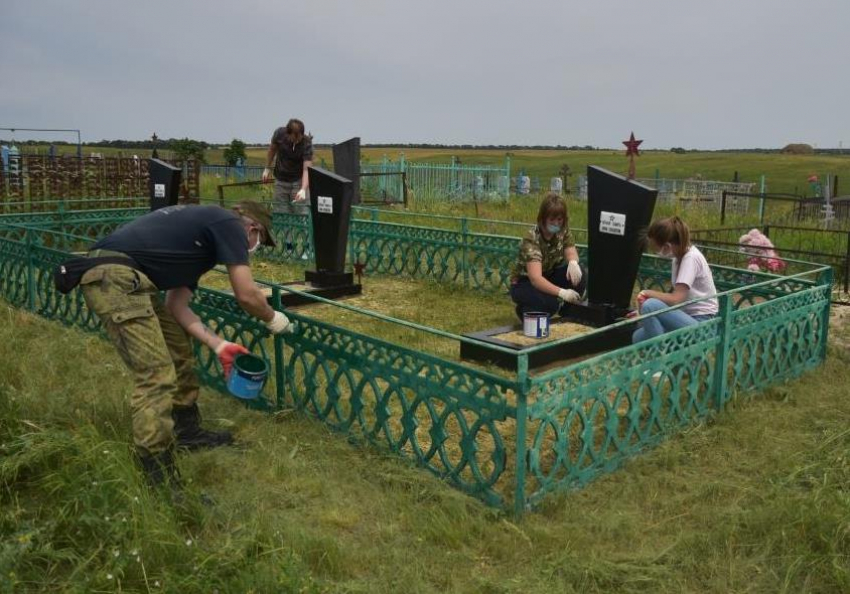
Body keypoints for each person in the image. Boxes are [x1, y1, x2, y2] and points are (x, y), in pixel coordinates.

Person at [78, 201, 293, 490]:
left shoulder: (197, 249)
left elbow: (176, 306)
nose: (254, 247)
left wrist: (219, 346)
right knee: (155, 374)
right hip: (115, 277)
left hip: (128, 276)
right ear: (253, 228)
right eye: (260, 241)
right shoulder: (230, 224)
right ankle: (156, 476)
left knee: (176, 346)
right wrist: (273, 318)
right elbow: (246, 294)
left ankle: (186, 430)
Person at [632, 216, 718, 343]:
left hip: (703, 323)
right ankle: (665, 349)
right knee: (637, 337)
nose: (656, 253)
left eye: (655, 249)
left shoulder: (690, 259)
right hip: (685, 318)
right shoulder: (678, 258)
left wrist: (647, 293)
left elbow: (676, 299)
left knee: (650, 305)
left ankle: (661, 355)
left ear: (667, 246)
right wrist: (642, 315)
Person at [509, 193, 586, 320]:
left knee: (580, 274)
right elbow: (536, 278)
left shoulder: (563, 230)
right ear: (543, 218)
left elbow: (570, 249)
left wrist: (573, 262)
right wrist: (562, 293)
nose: (556, 223)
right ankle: (524, 311)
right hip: (524, 282)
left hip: (549, 274)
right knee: (550, 303)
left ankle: (568, 311)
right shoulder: (532, 239)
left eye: (560, 220)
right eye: (552, 219)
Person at [262, 118, 313, 215]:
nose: (297, 141)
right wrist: (267, 168)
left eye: (299, 138)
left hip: (298, 181)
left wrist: (303, 189)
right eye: (294, 138)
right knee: (282, 212)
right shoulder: (279, 134)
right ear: (287, 133)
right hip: (281, 180)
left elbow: (307, 169)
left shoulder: (306, 143)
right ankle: (285, 231)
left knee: (301, 212)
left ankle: (302, 230)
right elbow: (272, 150)